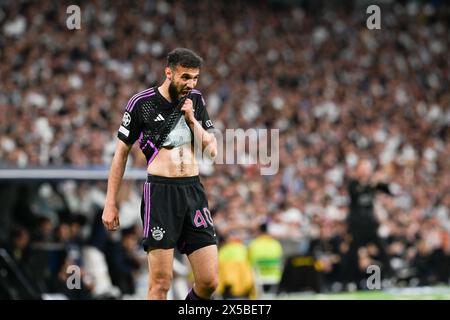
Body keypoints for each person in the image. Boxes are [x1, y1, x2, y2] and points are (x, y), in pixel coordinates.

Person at [102, 48, 218, 300]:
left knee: (209, 281)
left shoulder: (195, 100)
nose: (191, 83)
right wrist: (110, 203)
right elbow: (120, 155)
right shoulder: (141, 103)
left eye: (195, 78)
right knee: (161, 283)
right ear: (169, 72)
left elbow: (211, 149)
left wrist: (192, 120)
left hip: (193, 190)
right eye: (185, 77)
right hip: (161, 193)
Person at [343, 158, 394, 287]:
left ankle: (389, 277)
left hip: (370, 225)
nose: (366, 171)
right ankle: (349, 281)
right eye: (363, 168)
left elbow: (389, 191)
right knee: (352, 254)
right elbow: (356, 192)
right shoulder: (353, 183)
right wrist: (371, 182)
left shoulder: (373, 183)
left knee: (382, 250)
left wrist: (383, 179)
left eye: (367, 168)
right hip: (356, 226)